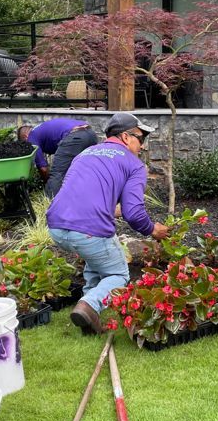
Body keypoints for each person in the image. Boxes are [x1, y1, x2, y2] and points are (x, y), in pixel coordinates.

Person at [46, 112, 170, 335]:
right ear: (125, 136)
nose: (142, 146)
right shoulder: (134, 165)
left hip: (56, 226)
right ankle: (90, 305)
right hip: (87, 232)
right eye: (140, 139)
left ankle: (87, 317)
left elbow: (80, 194)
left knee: (98, 256)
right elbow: (133, 213)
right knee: (119, 275)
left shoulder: (85, 154)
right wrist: (153, 230)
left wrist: (112, 210)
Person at [17, 118, 97, 197]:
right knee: (85, 171)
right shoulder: (39, 129)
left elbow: (43, 169)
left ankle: (49, 203)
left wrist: (48, 184)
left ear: (25, 137)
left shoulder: (31, 138)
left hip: (75, 136)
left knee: (57, 174)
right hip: (90, 134)